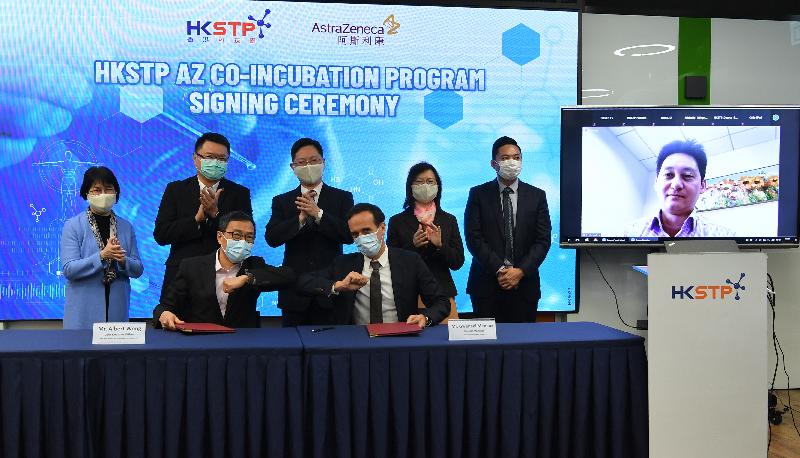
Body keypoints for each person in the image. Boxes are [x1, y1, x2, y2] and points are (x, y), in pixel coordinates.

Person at [296, 203, 450, 328]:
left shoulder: (410, 261)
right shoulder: (343, 264)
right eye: (355, 234)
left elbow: (441, 302)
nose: (361, 238)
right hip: (356, 343)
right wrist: (337, 286)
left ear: (382, 228)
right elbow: (302, 282)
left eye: (366, 230)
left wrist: (425, 317)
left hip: (401, 339)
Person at [153, 132, 253, 303]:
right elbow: (161, 234)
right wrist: (196, 221)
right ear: (195, 158)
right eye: (210, 157)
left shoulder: (240, 193)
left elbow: (245, 236)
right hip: (180, 277)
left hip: (224, 277)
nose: (215, 163)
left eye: (221, 159)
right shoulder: (175, 190)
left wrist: (216, 216)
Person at [153, 211, 296, 329]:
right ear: (220, 237)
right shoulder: (192, 266)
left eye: (249, 237)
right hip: (200, 343)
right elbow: (165, 306)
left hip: (243, 343)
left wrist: (248, 278)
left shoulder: (254, 265)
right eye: (237, 235)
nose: (243, 241)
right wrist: (164, 314)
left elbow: (289, 276)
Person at [265, 137, 354, 326]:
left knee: (331, 350)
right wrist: (300, 220)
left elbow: (348, 235)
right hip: (294, 292)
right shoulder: (282, 200)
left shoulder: (342, 198)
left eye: (314, 161)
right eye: (302, 162)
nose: (308, 166)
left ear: (323, 163)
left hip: (331, 290)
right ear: (292, 167)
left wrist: (318, 214)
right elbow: (272, 238)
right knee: (292, 350)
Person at [464, 136, 551, 323]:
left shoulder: (537, 196)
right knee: (485, 350)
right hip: (486, 286)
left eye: (516, 157)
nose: (512, 162)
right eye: (505, 158)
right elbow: (473, 238)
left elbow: (542, 240)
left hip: (525, 286)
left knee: (523, 348)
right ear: (494, 164)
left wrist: (519, 271)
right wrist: (500, 270)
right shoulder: (478, 194)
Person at [60, 166, 144, 329]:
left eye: (108, 189)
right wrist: (102, 256)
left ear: (116, 193)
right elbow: (69, 269)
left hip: (116, 313)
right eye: (97, 190)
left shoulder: (126, 227)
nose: (103, 195)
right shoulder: (73, 225)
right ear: (86, 193)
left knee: (115, 354)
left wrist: (122, 261)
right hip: (83, 314)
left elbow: (138, 269)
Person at [387, 162, 464, 322]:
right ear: (410, 186)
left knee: (448, 344)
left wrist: (440, 246)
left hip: (442, 294)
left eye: (430, 182)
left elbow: (457, 262)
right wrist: (412, 246)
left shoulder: (449, 220)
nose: (425, 186)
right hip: (408, 296)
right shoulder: (397, 221)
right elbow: (390, 262)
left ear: (438, 186)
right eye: (419, 182)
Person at [624, 139, 735, 237]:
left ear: (702, 186)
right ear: (656, 182)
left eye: (687, 176)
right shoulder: (631, 232)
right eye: (668, 175)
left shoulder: (724, 237)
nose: (676, 184)